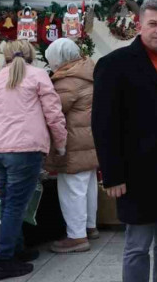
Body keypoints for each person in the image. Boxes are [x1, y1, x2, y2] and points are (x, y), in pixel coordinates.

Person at [92, 0, 157, 282]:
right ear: (140, 25)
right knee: (137, 247)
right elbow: (103, 125)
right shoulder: (114, 65)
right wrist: (112, 175)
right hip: (137, 174)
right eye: (153, 24)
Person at [0, 40, 67, 280]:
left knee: (9, 202)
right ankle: (3, 260)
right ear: (32, 54)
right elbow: (53, 113)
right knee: (15, 205)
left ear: (5, 56)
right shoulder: (38, 75)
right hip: (24, 149)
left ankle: (16, 250)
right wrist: (60, 144)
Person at [44, 38, 99, 254]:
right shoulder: (87, 71)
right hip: (89, 138)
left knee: (72, 188)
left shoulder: (68, 81)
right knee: (88, 185)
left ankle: (76, 237)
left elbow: (54, 111)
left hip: (74, 142)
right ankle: (90, 226)